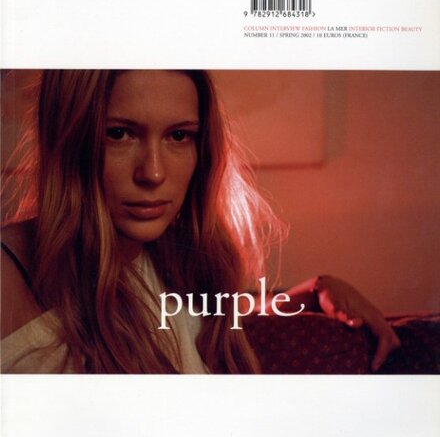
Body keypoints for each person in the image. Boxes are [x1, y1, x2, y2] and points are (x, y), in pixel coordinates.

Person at [1, 70, 400, 374]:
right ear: (67, 138)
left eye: (178, 136)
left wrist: (313, 292)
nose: (153, 173)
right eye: (119, 134)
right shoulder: (9, 276)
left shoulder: (169, 257)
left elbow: (207, 322)